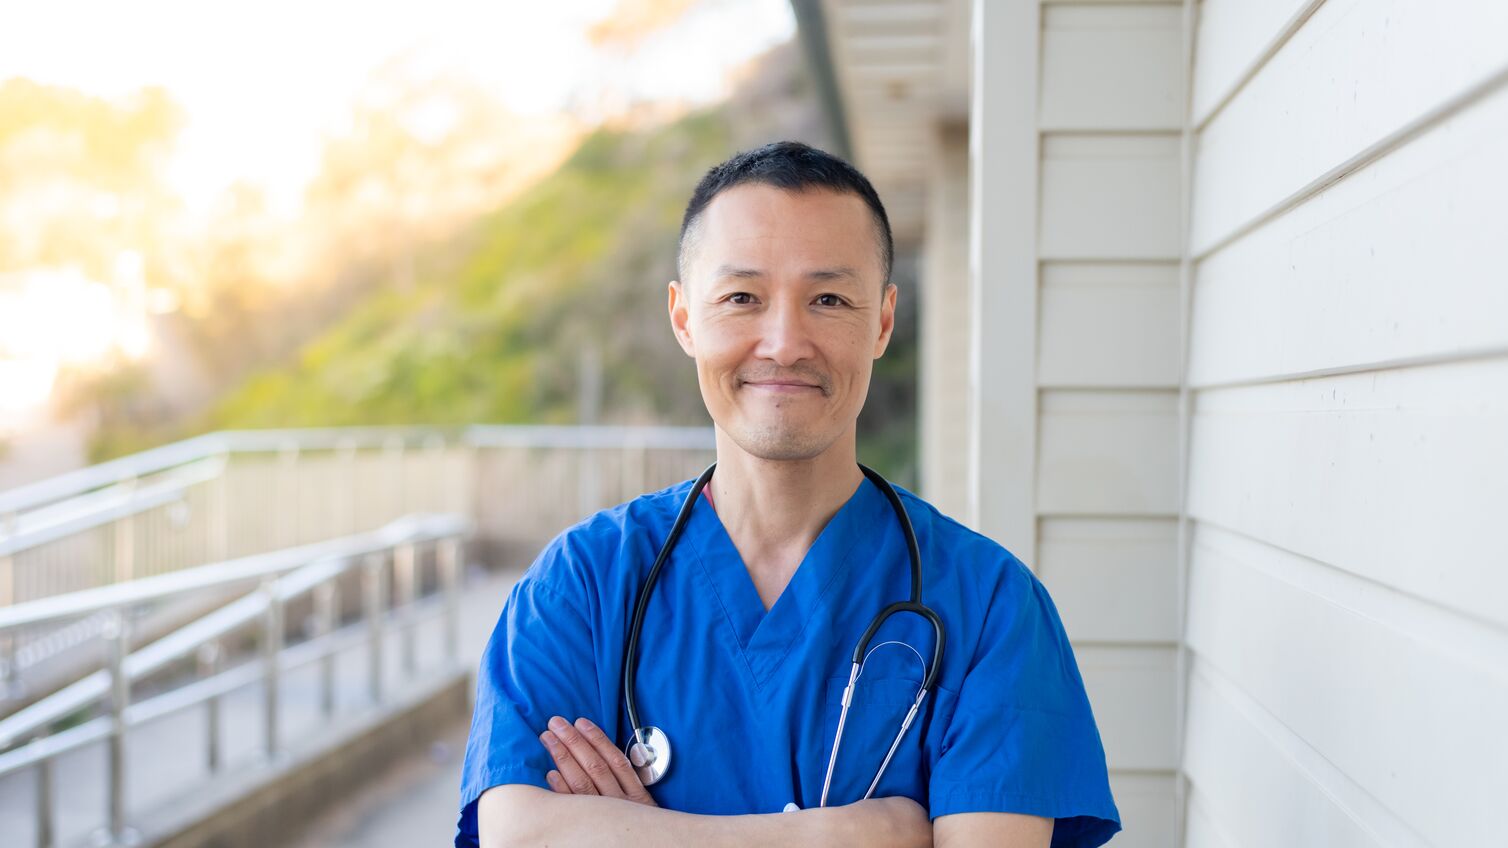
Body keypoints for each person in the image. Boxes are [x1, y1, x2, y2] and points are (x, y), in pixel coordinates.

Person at [455, 141, 1121, 847]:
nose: (784, 342)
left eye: (828, 299)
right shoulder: (585, 585)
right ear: (684, 319)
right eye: (742, 298)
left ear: (884, 322)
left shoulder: (988, 606)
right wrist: (852, 835)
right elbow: (518, 835)